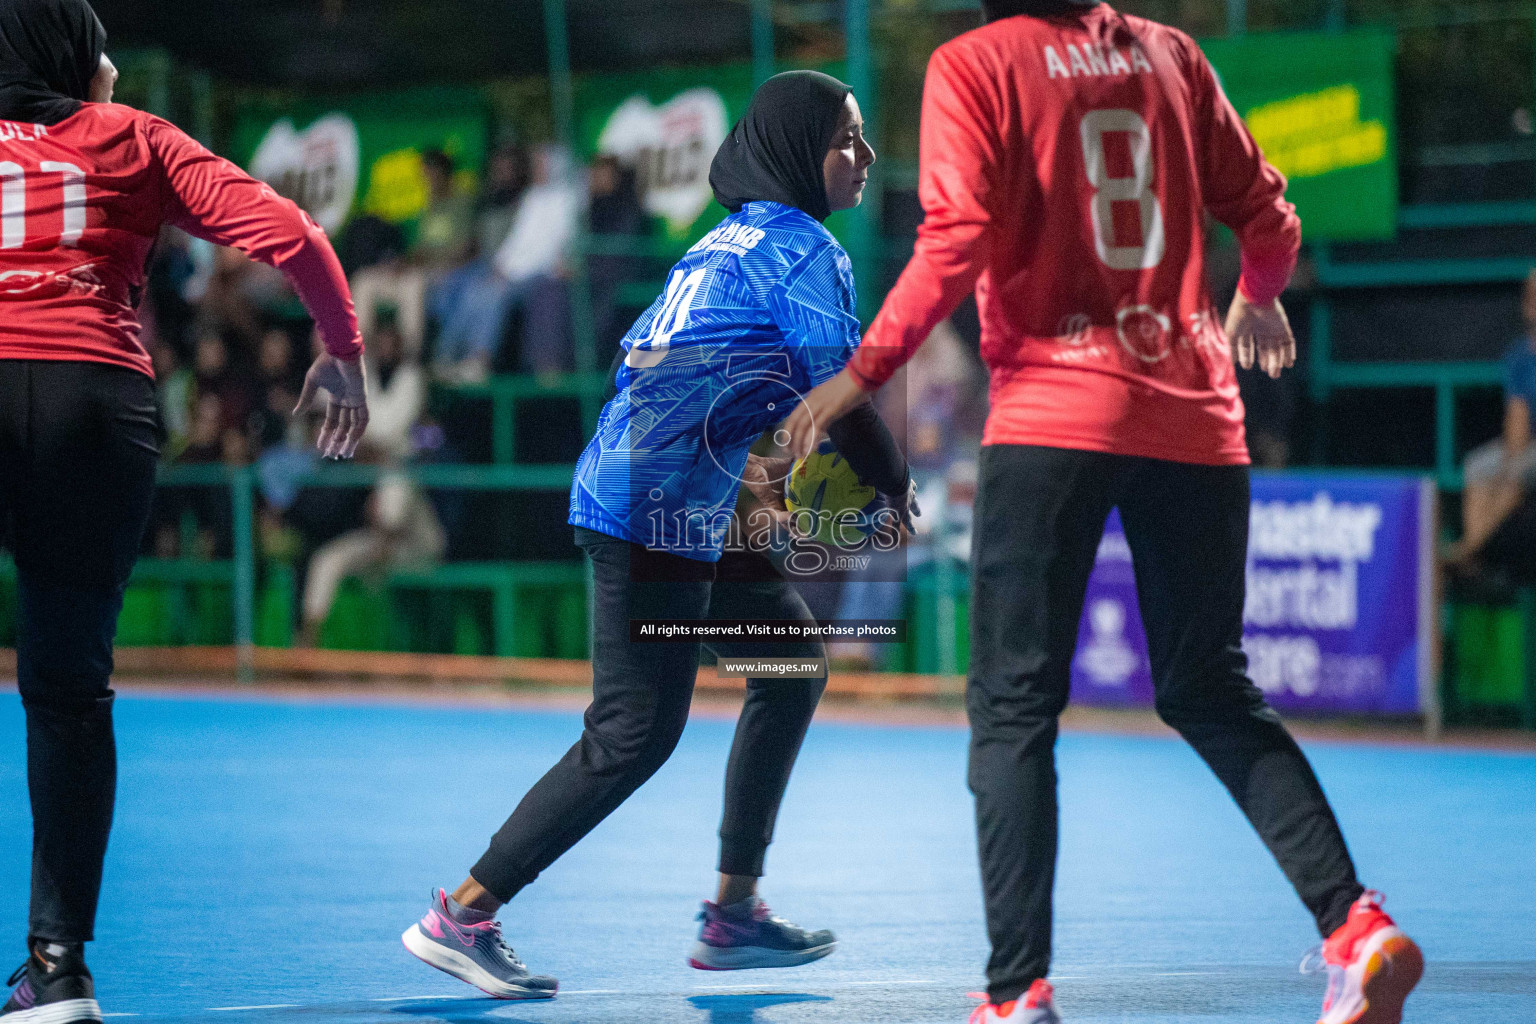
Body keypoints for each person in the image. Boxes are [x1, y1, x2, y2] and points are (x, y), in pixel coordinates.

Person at [784, 3, 1422, 1023]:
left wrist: (855, 378)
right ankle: (1357, 925)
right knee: (1211, 688)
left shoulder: (975, 63)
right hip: (1196, 416)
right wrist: (1257, 293)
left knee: (1012, 707)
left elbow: (955, 241)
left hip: (1054, 416)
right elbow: (1268, 213)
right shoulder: (1171, 53)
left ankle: (1016, 992)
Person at [401, 70, 907, 999]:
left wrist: (743, 484)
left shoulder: (721, 244)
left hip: (660, 494)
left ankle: (734, 915)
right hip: (659, 509)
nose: (866, 157)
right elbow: (845, 391)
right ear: (801, 154)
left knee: (791, 658)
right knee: (634, 731)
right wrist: (892, 482)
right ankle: (464, 913)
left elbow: (659, 367)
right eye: (848, 139)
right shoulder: (803, 249)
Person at [0, 3, 369, 1023]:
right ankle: (58, 967)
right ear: (75, 57)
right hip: (94, 402)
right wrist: (339, 350)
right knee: (70, 685)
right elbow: (292, 233)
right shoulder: (132, 136)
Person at [1451, 269, 1536, 565]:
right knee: (1478, 466)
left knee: (1517, 474)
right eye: (1531, 297)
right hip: (1527, 445)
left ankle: (1472, 551)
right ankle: (1476, 556)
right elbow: (1517, 417)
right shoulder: (1519, 356)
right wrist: (1513, 454)